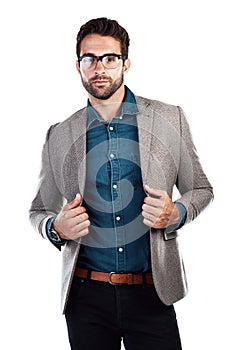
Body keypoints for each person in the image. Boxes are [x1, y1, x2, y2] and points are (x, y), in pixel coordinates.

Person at [29, 17, 213, 350]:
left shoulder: (169, 118)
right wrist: (56, 228)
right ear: (78, 65)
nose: (99, 67)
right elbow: (38, 211)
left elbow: (201, 189)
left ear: (126, 62)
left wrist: (177, 213)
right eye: (90, 59)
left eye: (110, 58)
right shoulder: (59, 134)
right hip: (86, 298)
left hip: (152, 293)